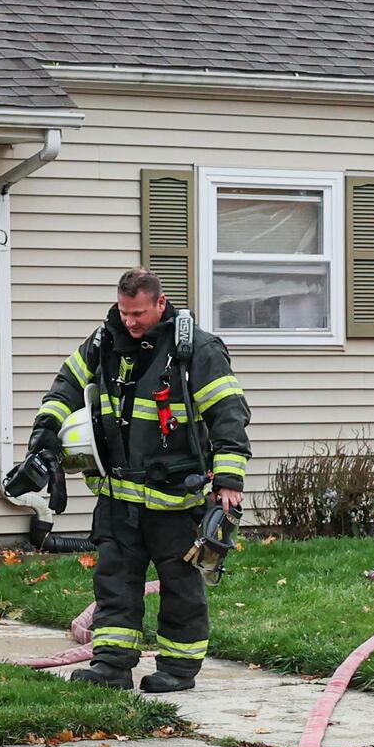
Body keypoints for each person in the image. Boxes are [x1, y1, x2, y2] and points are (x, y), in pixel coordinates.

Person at [20, 267, 245, 695]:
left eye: (138, 313)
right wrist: (45, 430)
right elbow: (66, 384)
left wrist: (229, 480)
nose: (130, 322)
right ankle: (111, 664)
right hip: (118, 494)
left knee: (180, 584)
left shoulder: (197, 349)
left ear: (160, 304)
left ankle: (178, 668)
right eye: (124, 313)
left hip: (175, 499)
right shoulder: (105, 340)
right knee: (115, 581)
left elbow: (228, 415)